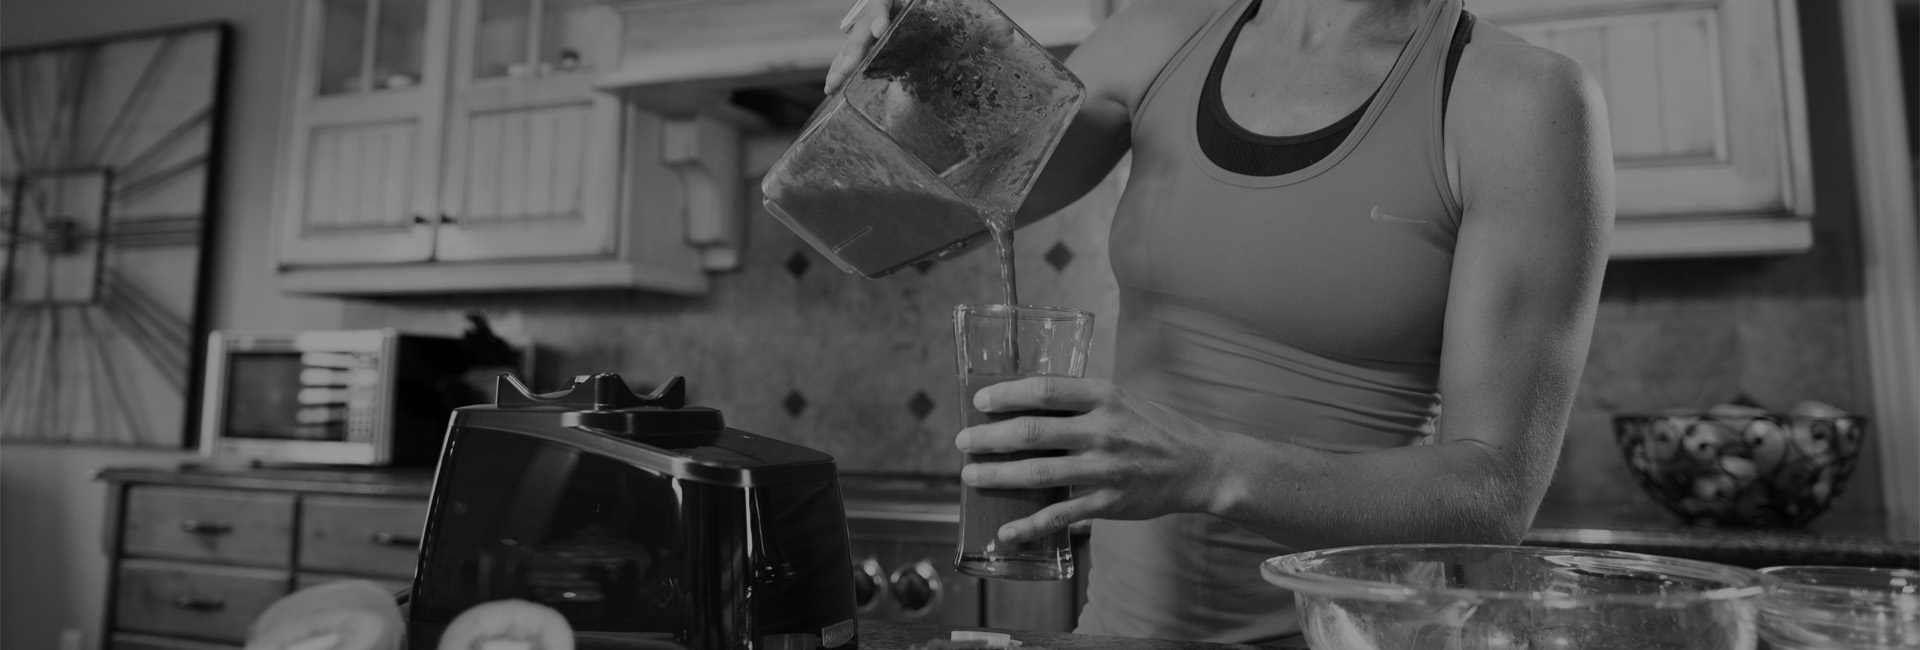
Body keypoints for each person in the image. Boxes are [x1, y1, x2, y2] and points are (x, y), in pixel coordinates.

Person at [828, 0, 1614, 643]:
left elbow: (1491, 499)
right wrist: (913, 69)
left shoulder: (1521, 101)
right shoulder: (1159, 37)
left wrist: (1206, 467)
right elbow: (929, 211)